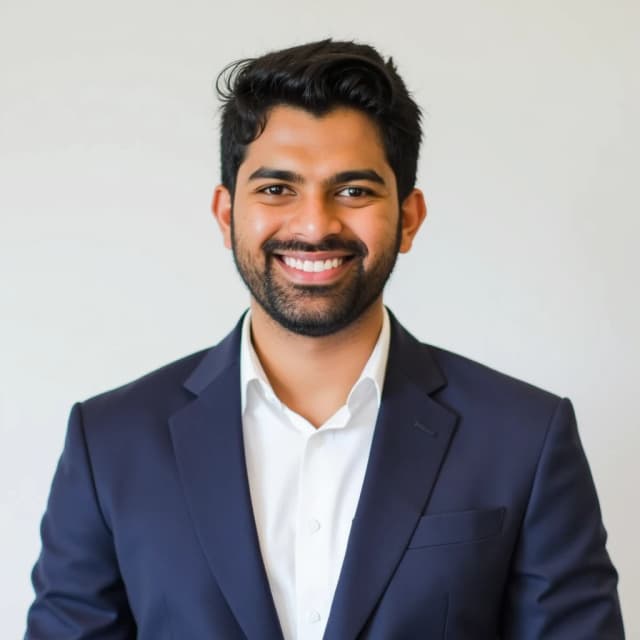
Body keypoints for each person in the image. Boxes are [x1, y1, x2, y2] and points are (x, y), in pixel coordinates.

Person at [26, 39, 624, 639]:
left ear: (409, 217)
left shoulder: (524, 437)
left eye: (354, 191)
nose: (314, 225)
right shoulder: (110, 443)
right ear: (225, 213)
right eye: (276, 189)